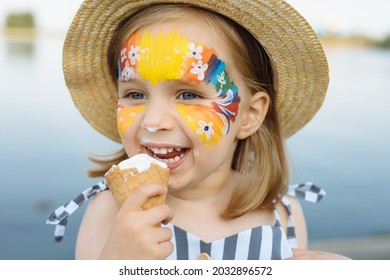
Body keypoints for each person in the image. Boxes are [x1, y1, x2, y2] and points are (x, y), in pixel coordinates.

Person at [47, 0, 349, 260]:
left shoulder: (284, 216)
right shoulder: (109, 212)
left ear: (249, 116)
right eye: (135, 95)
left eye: (189, 95)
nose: (153, 121)